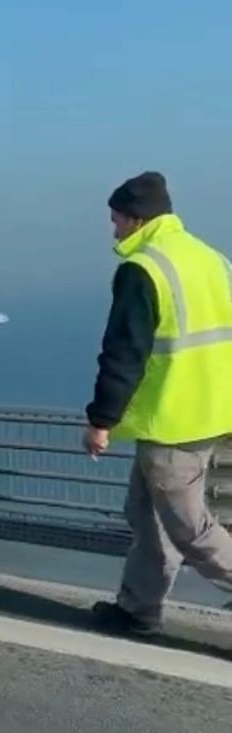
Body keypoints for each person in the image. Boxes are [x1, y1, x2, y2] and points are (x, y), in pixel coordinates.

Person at [84, 171, 232, 635]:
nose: (114, 230)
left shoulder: (143, 268)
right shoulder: (211, 258)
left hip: (174, 419)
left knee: (190, 529)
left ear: (136, 218)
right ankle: (138, 608)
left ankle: (139, 608)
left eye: (116, 220)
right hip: (214, 410)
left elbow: (124, 353)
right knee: (148, 516)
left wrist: (101, 420)